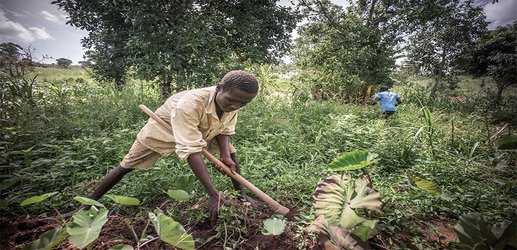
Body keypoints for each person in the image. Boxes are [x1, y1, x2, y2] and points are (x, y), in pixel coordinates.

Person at [88, 70, 259, 222]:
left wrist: (225, 156)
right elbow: (192, 150)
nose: (235, 106)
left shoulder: (233, 100)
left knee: (231, 154)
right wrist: (214, 194)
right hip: (162, 130)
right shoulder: (190, 103)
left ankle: (241, 195)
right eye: (232, 101)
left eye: (242, 104)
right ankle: (85, 206)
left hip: (201, 129)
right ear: (219, 87)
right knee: (126, 166)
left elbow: (225, 129)